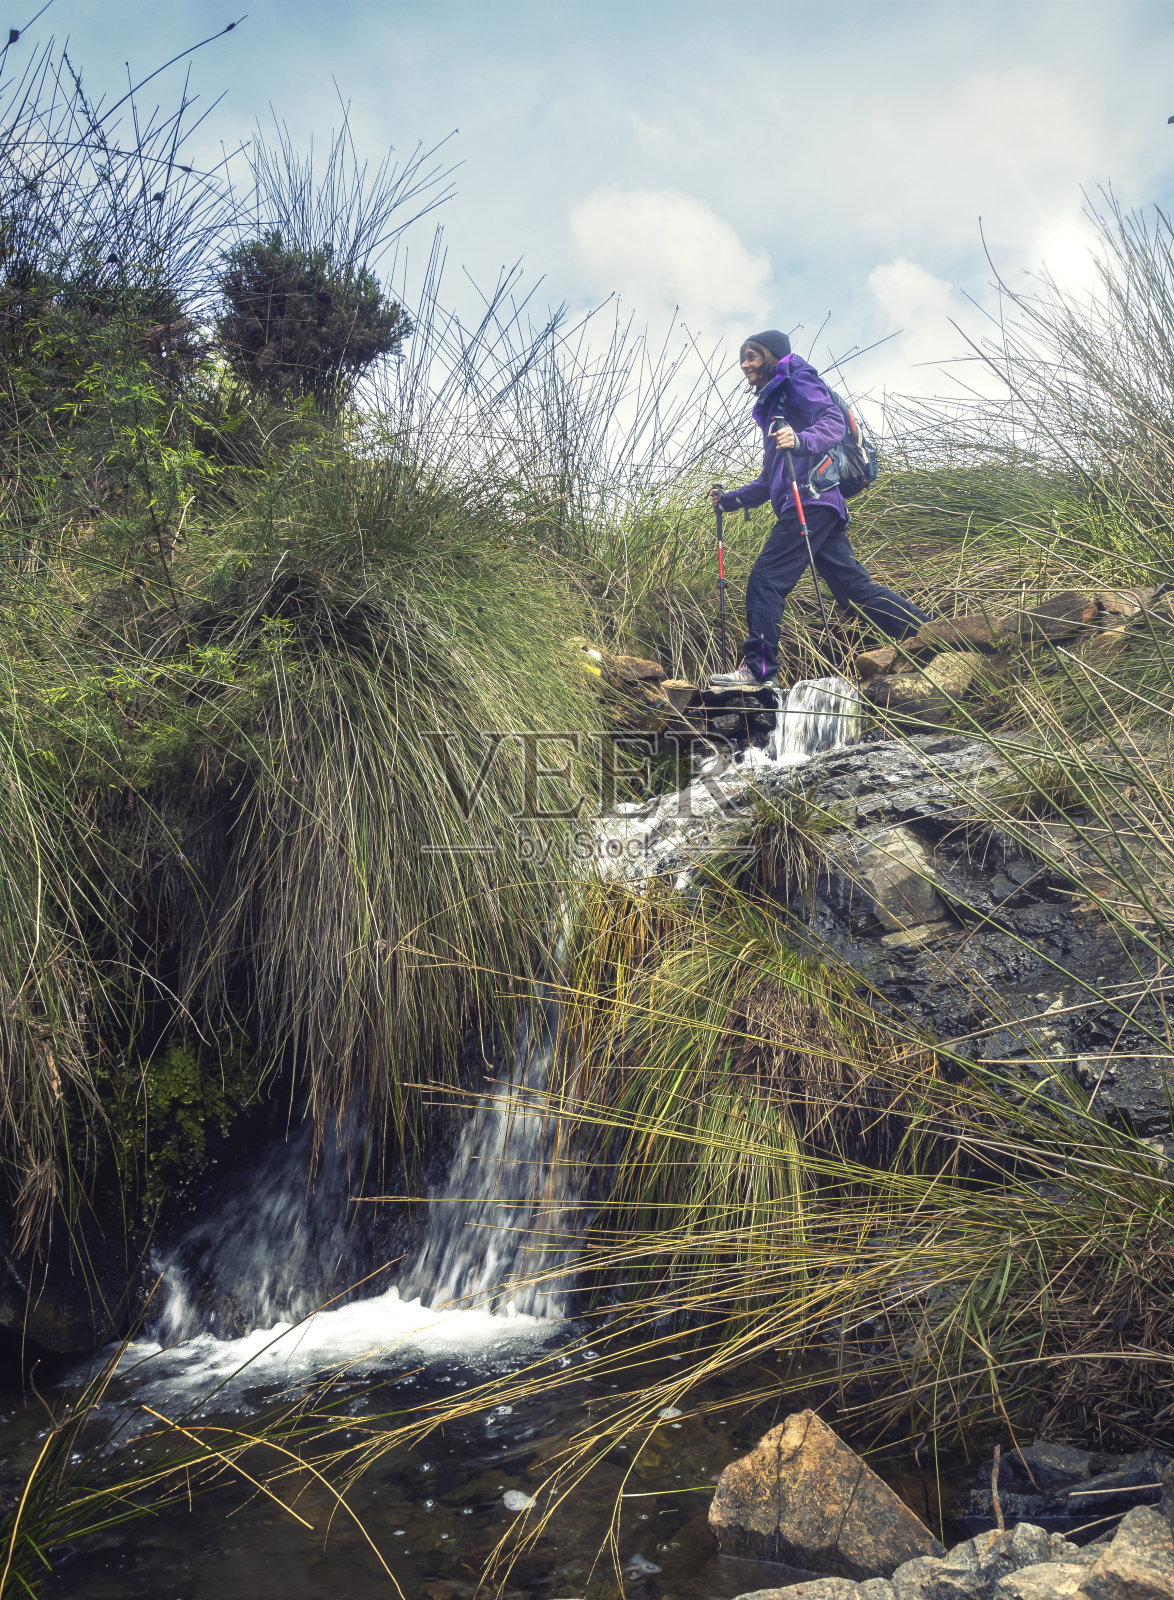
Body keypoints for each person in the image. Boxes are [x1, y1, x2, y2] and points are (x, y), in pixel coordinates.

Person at [709, 330, 929, 689]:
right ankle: (930, 632)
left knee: (766, 580)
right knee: (854, 590)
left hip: (809, 501)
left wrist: (801, 440)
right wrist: (729, 500)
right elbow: (769, 481)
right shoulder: (776, 408)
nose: (745, 365)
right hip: (819, 505)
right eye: (742, 359)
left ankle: (759, 670)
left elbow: (831, 420)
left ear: (773, 355)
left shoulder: (796, 377)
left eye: (752, 356)